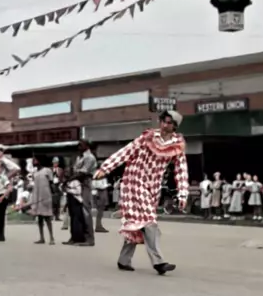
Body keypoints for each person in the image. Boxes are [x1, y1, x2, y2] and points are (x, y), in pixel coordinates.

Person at [95, 110, 188, 275]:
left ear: (175, 126)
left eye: (169, 122)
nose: (165, 125)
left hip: (153, 186)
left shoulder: (177, 145)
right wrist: (106, 168)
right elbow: (126, 151)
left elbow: (181, 170)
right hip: (134, 180)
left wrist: (182, 194)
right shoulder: (148, 137)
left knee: (138, 222)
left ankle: (124, 260)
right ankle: (159, 262)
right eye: (163, 121)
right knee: (149, 221)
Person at [72, 139, 98, 247]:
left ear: (86, 146)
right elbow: (75, 169)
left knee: (86, 211)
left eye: (80, 145)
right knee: (78, 212)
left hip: (85, 183)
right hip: (77, 184)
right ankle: (79, 237)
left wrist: (68, 180)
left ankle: (90, 239)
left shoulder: (89, 157)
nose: (78, 147)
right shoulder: (80, 157)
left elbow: (83, 172)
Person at [27, 156, 55, 245]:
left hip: (45, 196)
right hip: (37, 195)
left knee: (47, 218)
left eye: (35, 159)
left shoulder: (47, 170)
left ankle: (51, 237)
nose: (33, 161)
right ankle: (42, 237)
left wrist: (53, 194)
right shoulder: (34, 172)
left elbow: (51, 183)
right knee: (39, 218)